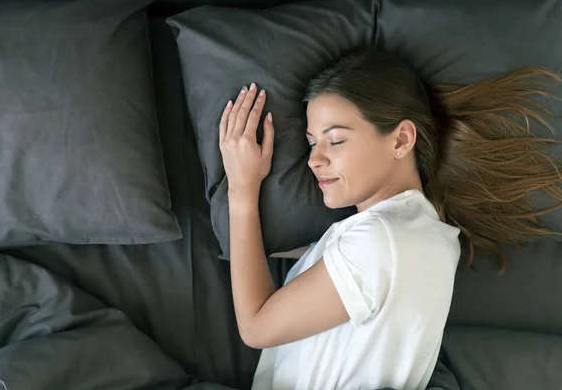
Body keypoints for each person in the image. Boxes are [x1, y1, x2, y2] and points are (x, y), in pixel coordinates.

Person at [217, 48, 562, 390]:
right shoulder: (427, 234)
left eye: (335, 140)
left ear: (401, 139)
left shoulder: (379, 242)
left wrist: (241, 189)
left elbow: (256, 327)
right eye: (311, 143)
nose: (314, 159)